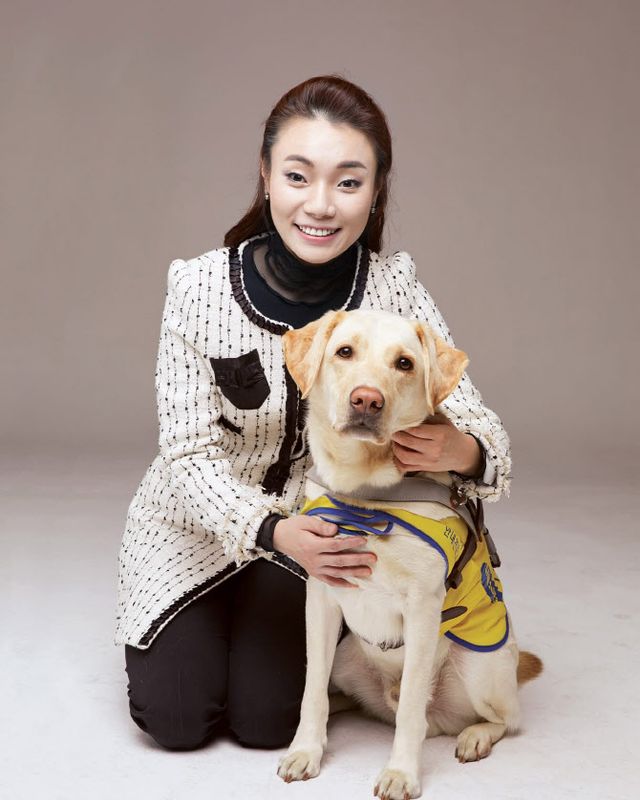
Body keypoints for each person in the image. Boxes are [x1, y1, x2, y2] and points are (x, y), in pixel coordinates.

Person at [115, 74, 512, 752]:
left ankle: (260, 630)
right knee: (176, 719)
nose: (321, 205)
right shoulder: (198, 286)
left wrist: (465, 451)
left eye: (348, 182)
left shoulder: (392, 286)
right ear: (266, 176)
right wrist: (271, 530)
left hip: (322, 536)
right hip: (194, 528)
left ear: (376, 191)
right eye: (298, 176)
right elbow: (186, 454)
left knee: (267, 723)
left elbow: (478, 419)